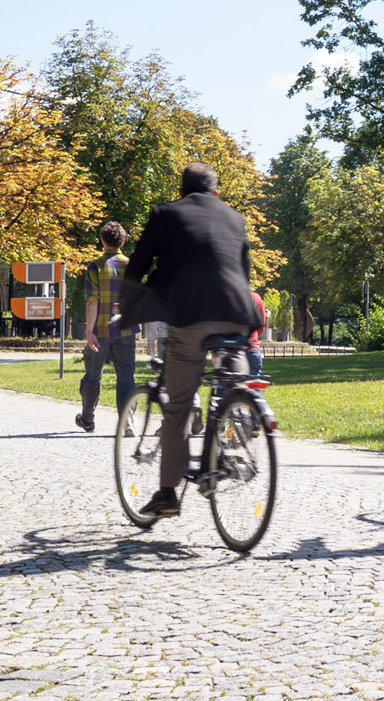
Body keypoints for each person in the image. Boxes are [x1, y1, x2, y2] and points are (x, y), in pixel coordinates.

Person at [119, 162, 264, 517]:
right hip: (237, 314)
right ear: (216, 192)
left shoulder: (165, 214)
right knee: (234, 379)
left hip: (190, 315)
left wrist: (129, 306)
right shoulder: (235, 217)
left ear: (181, 191)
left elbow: (137, 265)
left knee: (179, 403)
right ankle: (238, 418)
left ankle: (167, 493)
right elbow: (243, 271)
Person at [76, 222, 136, 432]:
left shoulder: (95, 266)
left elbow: (93, 300)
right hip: (126, 330)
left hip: (101, 330)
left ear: (102, 241)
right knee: (126, 376)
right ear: (123, 241)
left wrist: (89, 331)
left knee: (93, 375)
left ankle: (88, 419)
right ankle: (127, 422)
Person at [246, 290, 267, 375]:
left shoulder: (226, 297)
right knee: (254, 385)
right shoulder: (255, 297)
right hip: (252, 349)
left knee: (228, 385)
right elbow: (261, 324)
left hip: (232, 351)